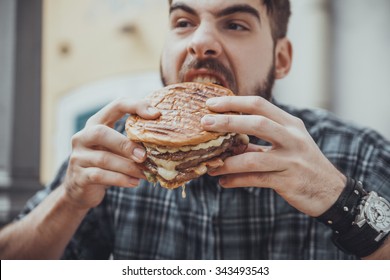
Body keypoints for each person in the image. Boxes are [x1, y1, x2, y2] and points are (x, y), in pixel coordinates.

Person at [0, 0, 389, 260]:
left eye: (235, 24)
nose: (201, 42)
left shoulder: (359, 152)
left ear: (281, 58)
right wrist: (69, 200)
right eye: (183, 23)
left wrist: (337, 199)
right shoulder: (111, 151)